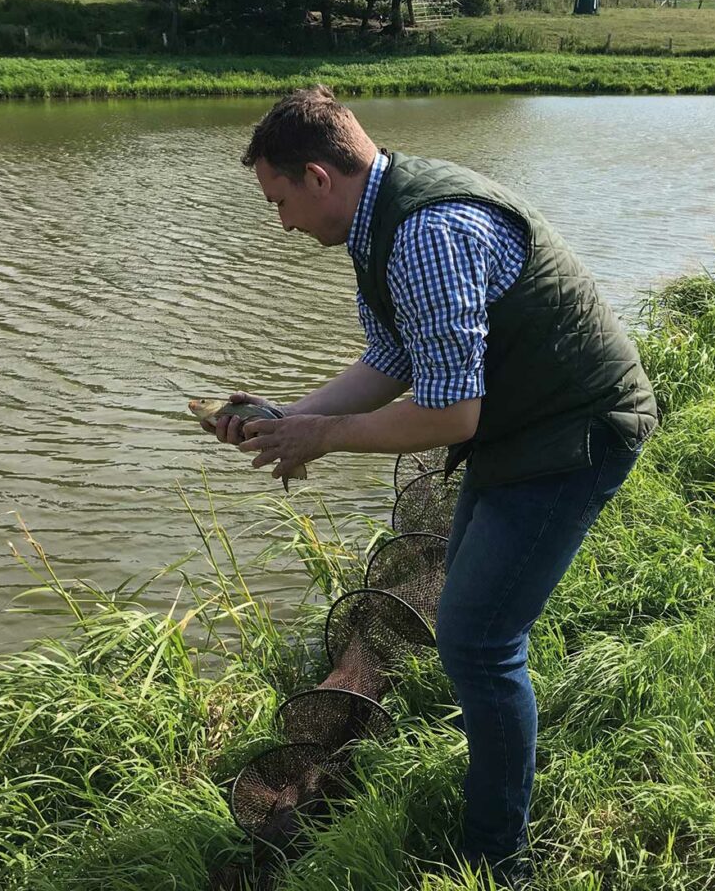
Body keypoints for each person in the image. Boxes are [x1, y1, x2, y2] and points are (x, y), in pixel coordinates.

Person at [201, 85, 657, 882]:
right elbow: (393, 362)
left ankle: (498, 859)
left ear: (317, 176)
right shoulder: (375, 227)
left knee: (481, 643)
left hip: (576, 433)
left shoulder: (424, 232)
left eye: (278, 202)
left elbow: (452, 414)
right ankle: (496, 808)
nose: (281, 223)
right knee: (469, 628)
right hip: (520, 429)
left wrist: (324, 437)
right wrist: (292, 419)